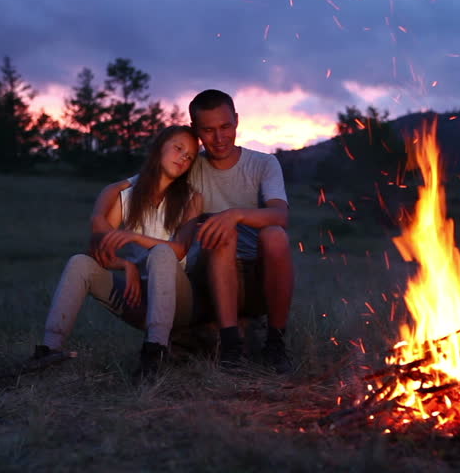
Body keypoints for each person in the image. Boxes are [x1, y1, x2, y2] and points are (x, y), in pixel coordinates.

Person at [91, 89, 294, 373]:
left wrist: (234, 214)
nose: (219, 138)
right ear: (195, 129)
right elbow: (128, 185)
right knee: (221, 236)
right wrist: (100, 220)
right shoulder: (189, 163)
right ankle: (230, 345)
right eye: (208, 130)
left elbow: (280, 215)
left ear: (236, 120)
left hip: (256, 277)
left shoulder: (263, 164)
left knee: (275, 235)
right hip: (207, 276)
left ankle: (276, 342)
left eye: (226, 127)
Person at [31, 125, 203, 378]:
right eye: (178, 148)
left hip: (179, 302)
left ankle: (154, 354)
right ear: (158, 147)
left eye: (189, 157)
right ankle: (48, 351)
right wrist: (126, 265)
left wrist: (134, 237)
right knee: (80, 262)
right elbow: (99, 243)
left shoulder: (191, 198)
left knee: (162, 253)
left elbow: (179, 250)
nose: (183, 158)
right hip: (138, 298)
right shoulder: (124, 193)